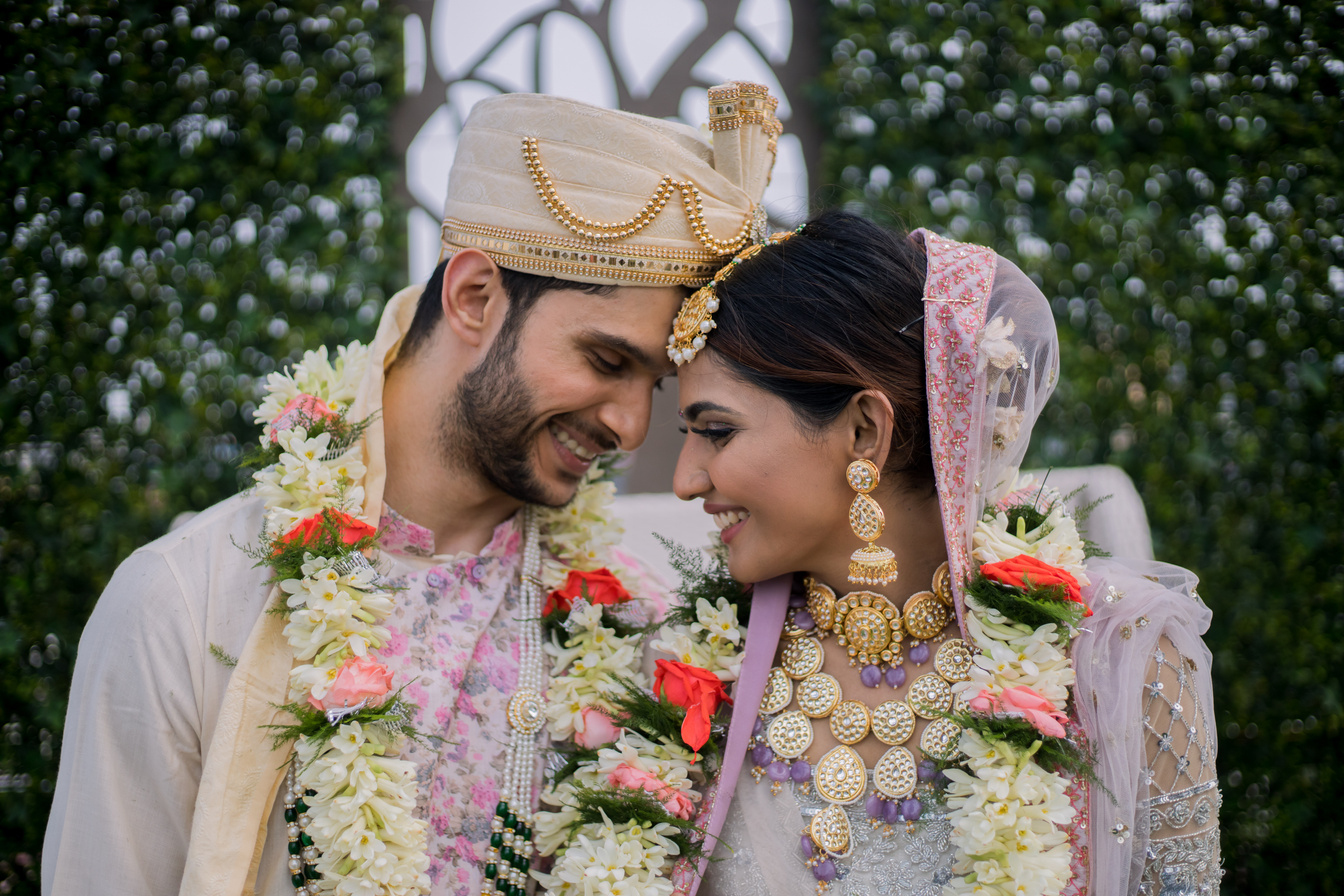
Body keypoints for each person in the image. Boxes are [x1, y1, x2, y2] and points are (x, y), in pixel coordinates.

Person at [43, 85, 781, 896]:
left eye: (656, 385)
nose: (633, 426)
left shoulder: (640, 621)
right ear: (473, 296)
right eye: (607, 362)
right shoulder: (187, 603)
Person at [667, 210, 1222, 895]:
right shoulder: (691, 676)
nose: (685, 480)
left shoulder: (1122, 661)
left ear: (865, 430)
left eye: (716, 432)